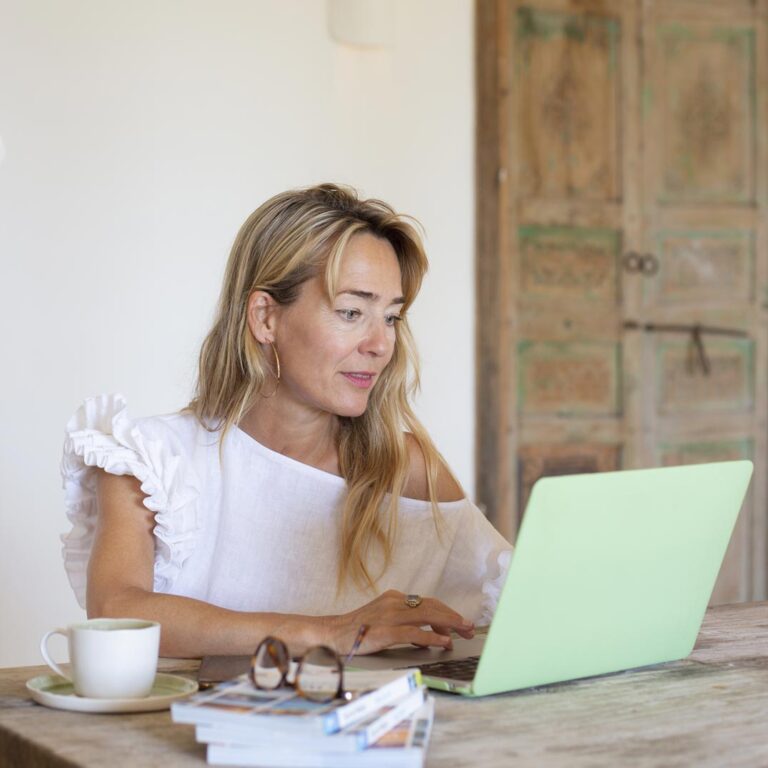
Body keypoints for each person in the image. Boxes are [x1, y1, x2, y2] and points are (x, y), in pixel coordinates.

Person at [61, 183, 512, 659]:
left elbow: (517, 600)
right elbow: (116, 611)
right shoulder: (152, 461)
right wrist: (332, 632)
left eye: (391, 317)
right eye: (351, 312)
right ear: (265, 318)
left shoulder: (406, 470)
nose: (381, 345)